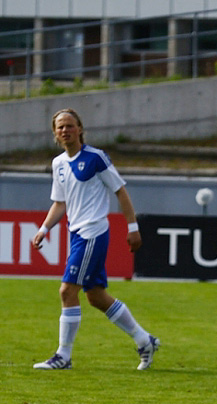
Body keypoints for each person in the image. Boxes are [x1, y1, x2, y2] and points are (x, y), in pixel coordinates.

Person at [31, 108, 160, 371]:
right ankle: (144, 340)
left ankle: (63, 356)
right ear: (55, 134)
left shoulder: (96, 158)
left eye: (70, 125)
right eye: (60, 127)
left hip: (93, 232)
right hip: (76, 234)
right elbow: (60, 203)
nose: (65, 130)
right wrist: (44, 228)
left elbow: (120, 191)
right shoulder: (59, 164)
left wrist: (133, 227)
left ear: (80, 129)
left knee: (67, 291)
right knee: (96, 296)